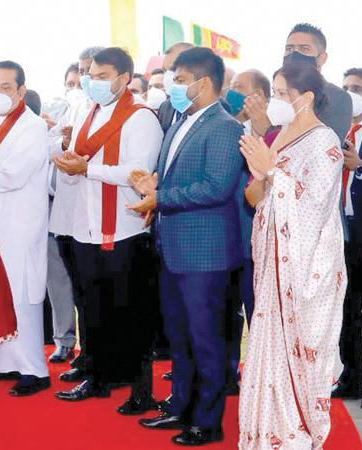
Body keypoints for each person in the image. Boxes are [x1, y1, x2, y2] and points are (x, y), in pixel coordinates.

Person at [131, 47, 244, 446]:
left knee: (206, 339)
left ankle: (208, 421)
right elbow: (171, 177)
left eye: (179, 80)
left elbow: (216, 187)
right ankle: (181, 407)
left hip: (205, 254)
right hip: (173, 248)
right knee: (179, 337)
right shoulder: (182, 120)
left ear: (204, 82)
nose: (173, 88)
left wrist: (161, 197)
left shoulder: (226, 128)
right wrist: (152, 185)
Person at [237, 62, 345, 450]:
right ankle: (265, 436)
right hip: (271, 269)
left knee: (298, 359)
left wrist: (274, 174)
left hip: (305, 272)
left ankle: (297, 437)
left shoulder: (324, 142)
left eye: (282, 95)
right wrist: (263, 174)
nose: (275, 103)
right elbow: (252, 197)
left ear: (307, 97)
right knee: (267, 355)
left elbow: (315, 207)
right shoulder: (279, 136)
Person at [51, 47, 162, 415]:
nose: (93, 82)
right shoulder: (87, 108)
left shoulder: (141, 117)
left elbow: (138, 171)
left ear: (124, 78)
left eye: (101, 76)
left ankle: (140, 388)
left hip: (125, 228)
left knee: (130, 311)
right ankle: (98, 376)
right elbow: (82, 157)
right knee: (94, 307)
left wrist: (87, 170)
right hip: (86, 225)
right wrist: (69, 157)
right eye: (91, 75)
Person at [0, 61, 51, 397]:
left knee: (20, 295)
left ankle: (33, 369)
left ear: (21, 91)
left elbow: (9, 176)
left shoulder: (33, 127)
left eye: (6, 87)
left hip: (18, 225)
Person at [50, 49, 103, 375]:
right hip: (69, 216)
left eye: (92, 72)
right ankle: (83, 355)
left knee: (96, 294)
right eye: (82, 71)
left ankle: (96, 359)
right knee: (80, 290)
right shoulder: (78, 106)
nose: (85, 79)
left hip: (100, 217)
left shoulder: (122, 112)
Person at [224, 69, 271, 396]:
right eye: (232, 87)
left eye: (240, 88)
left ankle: (263, 379)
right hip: (225, 239)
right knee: (225, 313)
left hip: (255, 240)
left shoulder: (272, 133)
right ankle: (228, 374)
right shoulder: (225, 127)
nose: (233, 93)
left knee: (258, 312)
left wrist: (260, 126)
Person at [245, 23, 352, 143]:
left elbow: (322, 147)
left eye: (304, 49)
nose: (294, 55)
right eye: (289, 49)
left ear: (321, 58)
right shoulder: (278, 91)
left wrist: (266, 129)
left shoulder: (338, 97)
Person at [45, 62, 85, 365]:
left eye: (80, 82)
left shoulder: (92, 117)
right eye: (70, 83)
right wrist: (58, 137)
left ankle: (90, 347)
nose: (75, 88)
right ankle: (63, 340)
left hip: (83, 211)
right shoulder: (56, 116)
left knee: (85, 281)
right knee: (57, 279)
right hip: (50, 208)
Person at [332, 67, 362, 402]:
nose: (350, 93)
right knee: (348, 310)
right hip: (346, 235)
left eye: (357, 88)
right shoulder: (342, 129)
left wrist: (361, 166)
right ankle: (351, 377)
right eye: (345, 87)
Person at [157, 42, 195, 133]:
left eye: (174, 69)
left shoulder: (214, 108)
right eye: (164, 71)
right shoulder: (165, 107)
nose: (168, 76)